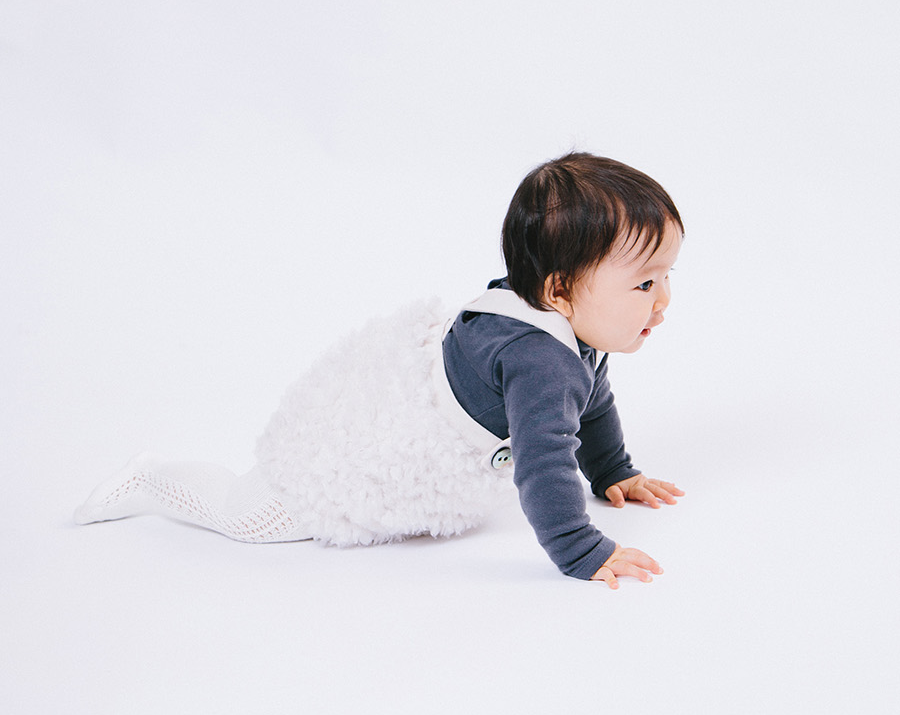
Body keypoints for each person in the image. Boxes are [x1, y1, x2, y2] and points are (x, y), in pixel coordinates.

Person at [74, 152, 684, 587]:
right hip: (370, 444)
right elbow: (544, 461)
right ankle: (152, 479)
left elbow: (592, 402)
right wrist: (581, 550)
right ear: (558, 290)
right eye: (644, 284)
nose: (663, 301)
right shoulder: (540, 360)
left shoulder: (570, 331)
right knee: (254, 514)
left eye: (665, 278)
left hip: (404, 399)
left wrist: (612, 470)